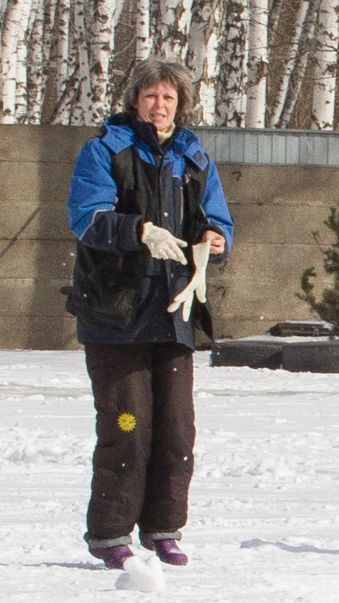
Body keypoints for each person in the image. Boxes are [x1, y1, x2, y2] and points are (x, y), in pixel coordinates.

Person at [66, 58, 234, 570]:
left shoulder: (195, 159)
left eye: (168, 98)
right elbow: (87, 217)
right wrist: (139, 230)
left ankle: (164, 528)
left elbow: (219, 218)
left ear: (181, 105)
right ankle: (110, 533)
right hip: (115, 317)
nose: (159, 107)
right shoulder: (104, 151)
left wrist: (214, 237)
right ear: (134, 101)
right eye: (150, 97)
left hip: (172, 313)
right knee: (128, 423)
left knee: (176, 430)